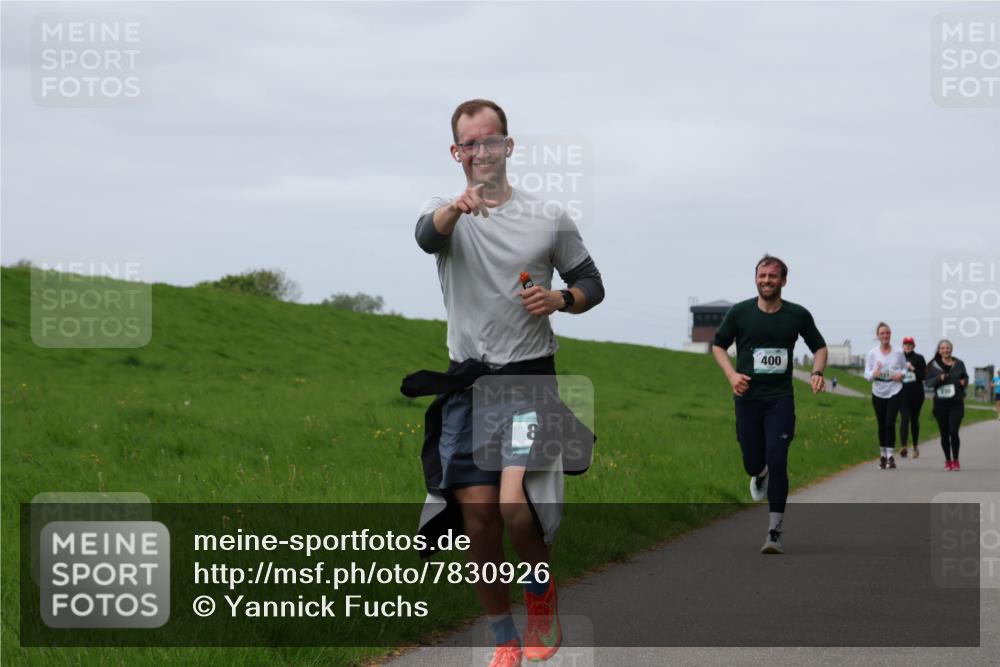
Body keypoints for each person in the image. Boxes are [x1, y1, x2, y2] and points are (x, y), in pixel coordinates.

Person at [409, 99, 604, 667]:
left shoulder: (548, 217)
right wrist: (454, 210)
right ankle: (503, 639)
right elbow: (426, 236)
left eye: (491, 141)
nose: (482, 152)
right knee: (478, 521)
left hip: (526, 383)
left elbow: (591, 281)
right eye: (470, 144)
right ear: (457, 153)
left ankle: (540, 593)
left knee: (517, 505)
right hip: (467, 388)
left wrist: (561, 299)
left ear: (508, 147)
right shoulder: (442, 213)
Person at [712, 255, 828, 555]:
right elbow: (718, 345)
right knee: (753, 462)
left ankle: (774, 532)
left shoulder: (797, 315)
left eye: (772, 276)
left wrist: (817, 372)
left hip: (780, 399)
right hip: (747, 399)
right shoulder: (740, 313)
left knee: (778, 460)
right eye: (762, 275)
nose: (766, 281)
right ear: (756, 278)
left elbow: (819, 346)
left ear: (783, 281)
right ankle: (758, 472)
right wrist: (731, 374)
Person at [863, 323, 906, 470]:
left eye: (887, 333)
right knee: (881, 424)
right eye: (882, 333)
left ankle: (890, 456)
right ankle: (882, 455)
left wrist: (901, 375)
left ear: (890, 334)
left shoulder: (899, 352)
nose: (885, 336)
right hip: (878, 392)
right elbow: (866, 373)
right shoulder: (872, 353)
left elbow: (905, 369)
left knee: (890, 423)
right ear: (878, 336)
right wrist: (872, 375)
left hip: (895, 390)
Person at [925, 340, 969, 470]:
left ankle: (955, 460)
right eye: (943, 348)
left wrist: (964, 382)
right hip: (940, 405)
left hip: (956, 403)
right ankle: (947, 460)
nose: (945, 350)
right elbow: (928, 383)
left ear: (951, 349)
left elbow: (965, 377)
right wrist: (939, 378)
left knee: (953, 431)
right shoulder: (932, 366)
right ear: (939, 350)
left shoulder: (959, 363)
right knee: (944, 434)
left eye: (948, 348)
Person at [898, 336, 927, 459]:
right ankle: (904, 446)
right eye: (905, 344)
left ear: (913, 346)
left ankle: (915, 446)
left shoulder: (919, 358)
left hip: (917, 395)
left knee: (914, 420)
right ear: (903, 346)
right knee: (904, 418)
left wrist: (912, 368)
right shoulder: (898, 358)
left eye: (910, 344)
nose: (907, 346)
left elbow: (924, 376)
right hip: (902, 394)